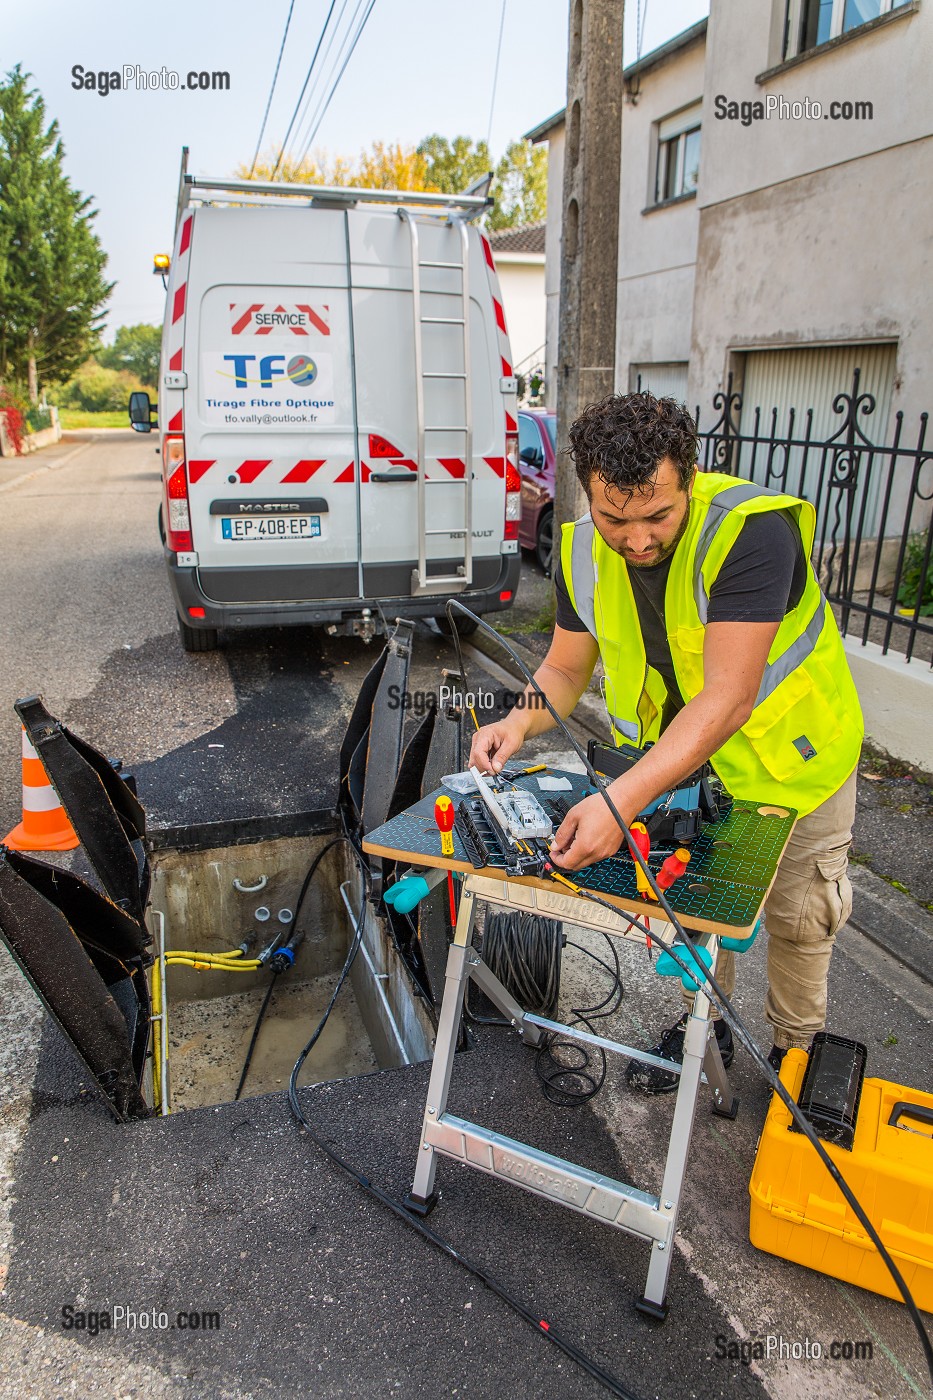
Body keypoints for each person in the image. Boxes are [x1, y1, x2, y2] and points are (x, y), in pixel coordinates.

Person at [469, 391, 863, 1092]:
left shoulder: (750, 531)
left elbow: (729, 696)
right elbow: (563, 666)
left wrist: (618, 803)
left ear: (689, 475)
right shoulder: (582, 549)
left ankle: (794, 1055)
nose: (638, 539)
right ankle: (702, 1032)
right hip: (678, 768)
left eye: (658, 515)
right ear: (586, 487)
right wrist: (515, 721)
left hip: (793, 764)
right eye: (615, 518)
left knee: (800, 921)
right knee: (689, 907)